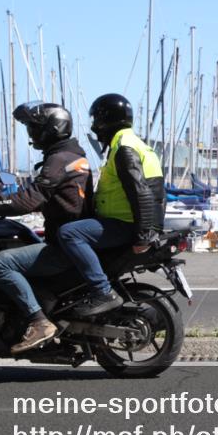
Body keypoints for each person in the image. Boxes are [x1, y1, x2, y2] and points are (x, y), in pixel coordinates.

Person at [0, 102, 93, 354]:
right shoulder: (71, 156)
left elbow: (28, 200)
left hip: (64, 247)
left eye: (34, 127)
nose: (31, 133)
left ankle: (39, 322)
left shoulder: (60, 160)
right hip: (69, 241)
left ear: (51, 129)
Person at [57, 93, 165, 316]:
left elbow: (140, 192)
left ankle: (102, 291)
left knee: (69, 233)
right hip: (131, 223)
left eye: (96, 120)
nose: (95, 127)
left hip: (124, 224)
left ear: (106, 120)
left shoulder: (124, 148)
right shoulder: (135, 144)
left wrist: (143, 235)